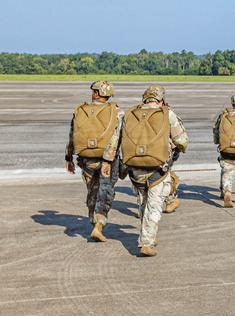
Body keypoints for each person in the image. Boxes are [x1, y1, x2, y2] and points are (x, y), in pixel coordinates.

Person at [103, 84, 188, 257]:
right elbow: (182, 141)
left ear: (145, 99)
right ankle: (146, 242)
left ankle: (148, 234)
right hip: (158, 169)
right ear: (161, 100)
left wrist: (107, 161)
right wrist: (177, 148)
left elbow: (115, 139)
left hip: (134, 169)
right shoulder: (167, 114)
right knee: (154, 205)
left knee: (143, 203)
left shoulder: (130, 115)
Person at [65, 80, 122, 242]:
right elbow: (122, 137)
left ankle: (93, 221)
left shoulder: (81, 111)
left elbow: (72, 136)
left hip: (86, 160)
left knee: (92, 191)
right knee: (106, 191)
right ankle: (99, 225)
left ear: (96, 93)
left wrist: (68, 158)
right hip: (108, 161)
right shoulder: (117, 112)